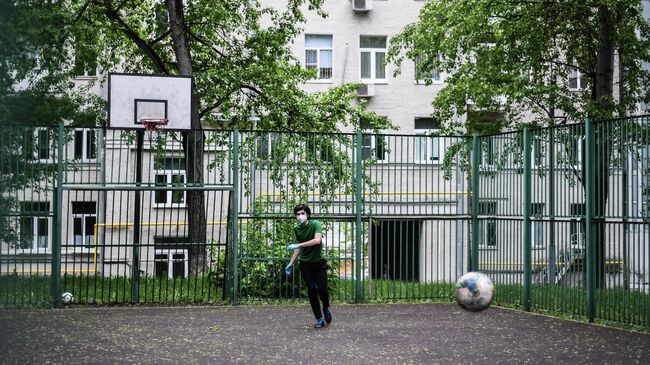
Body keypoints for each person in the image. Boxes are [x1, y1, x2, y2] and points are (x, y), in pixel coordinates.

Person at [285, 204, 332, 328]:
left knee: (322, 289)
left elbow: (317, 240)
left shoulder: (316, 224)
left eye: (303, 213)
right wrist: (291, 263)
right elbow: (298, 247)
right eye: (298, 214)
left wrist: (298, 245)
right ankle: (319, 318)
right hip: (305, 264)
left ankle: (326, 307)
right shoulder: (297, 228)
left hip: (319, 263)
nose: (300, 216)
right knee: (311, 290)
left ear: (308, 214)